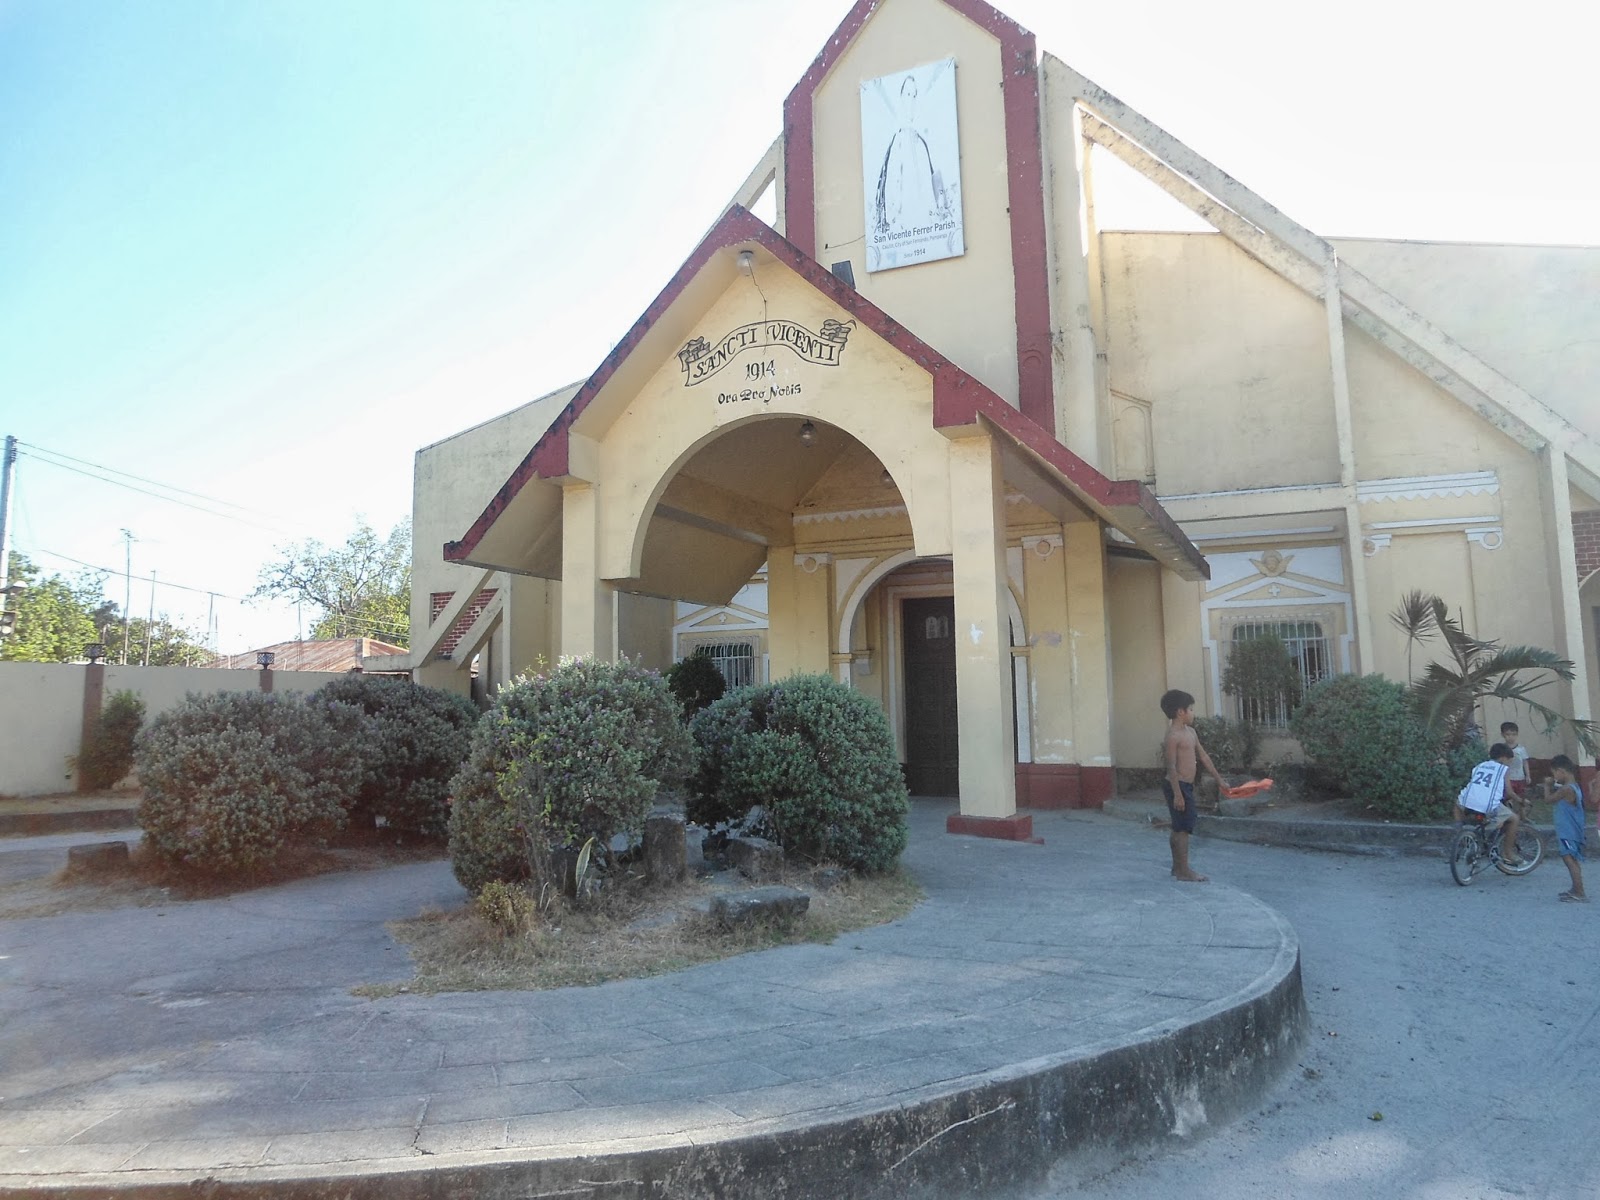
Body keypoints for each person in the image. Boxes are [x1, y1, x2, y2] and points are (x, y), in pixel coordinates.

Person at [1160, 688, 1228, 883]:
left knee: (1179, 826)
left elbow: (1204, 757)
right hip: (1177, 785)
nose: (1193, 713)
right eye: (1190, 709)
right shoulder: (1173, 736)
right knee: (1183, 829)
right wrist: (1177, 794)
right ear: (1180, 712)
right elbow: (1171, 766)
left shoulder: (1191, 732)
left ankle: (1177, 867)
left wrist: (1219, 779)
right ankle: (1184, 871)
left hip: (1185, 786)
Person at [1454, 743, 1524, 866]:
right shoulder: (1503, 769)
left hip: (1465, 802)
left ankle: (1459, 832)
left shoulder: (1479, 766)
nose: (1509, 764)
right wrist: (1521, 801)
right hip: (1486, 806)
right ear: (1503, 758)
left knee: (1457, 805)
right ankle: (1508, 853)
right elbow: (1509, 791)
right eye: (1509, 761)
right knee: (1514, 819)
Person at [1549, 754, 1588, 902]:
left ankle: (1580, 892)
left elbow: (1548, 800)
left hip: (1568, 831)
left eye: (1554, 773)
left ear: (1561, 771)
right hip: (1571, 830)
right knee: (1571, 859)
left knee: (1569, 859)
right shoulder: (1575, 786)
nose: (1554, 777)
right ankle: (1575, 888)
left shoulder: (1566, 789)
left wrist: (1547, 786)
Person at [1500, 721, 1531, 798]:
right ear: (1503, 735)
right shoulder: (1502, 749)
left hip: (1520, 777)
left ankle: (1521, 809)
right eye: (1508, 734)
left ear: (1517, 735)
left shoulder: (1521, 749)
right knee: (1508, 797)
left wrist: (1528, 775)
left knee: (1521, 796)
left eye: (1513, 734)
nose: (1511, 737)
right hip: (1508, 778)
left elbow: (1525, 762)